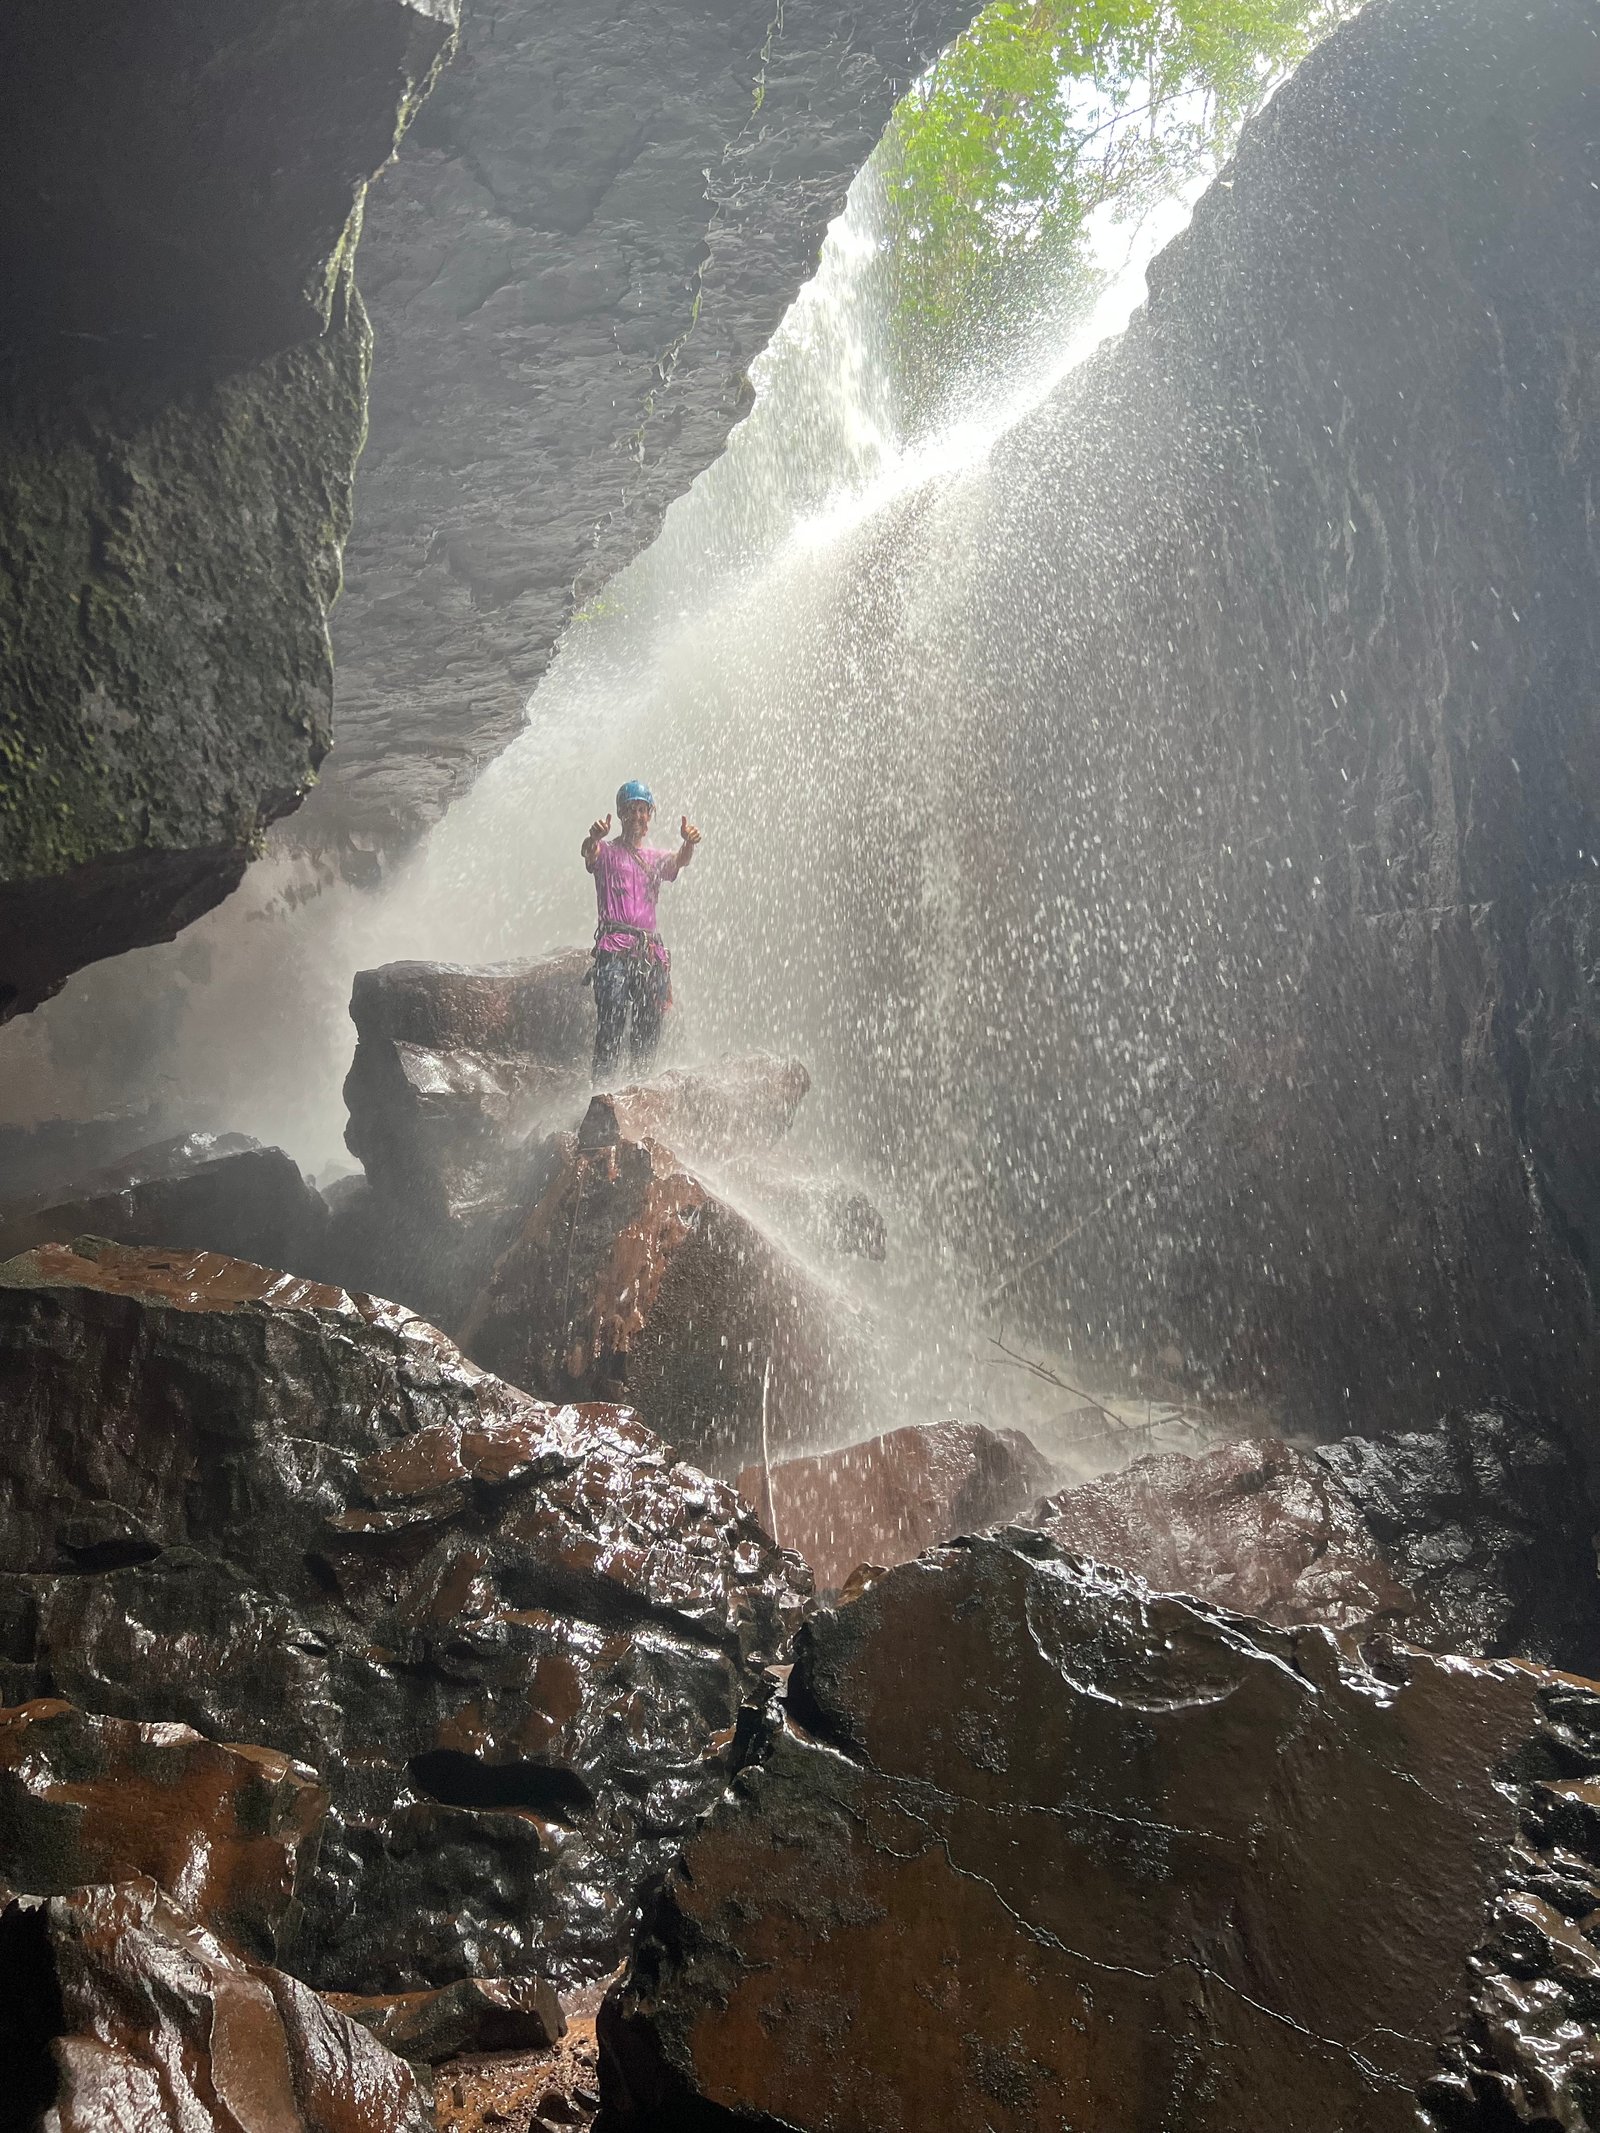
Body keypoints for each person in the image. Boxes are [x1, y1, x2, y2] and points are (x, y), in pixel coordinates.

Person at [582, 780, 701, 1081]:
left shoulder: (654, 859)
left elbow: (679, 861)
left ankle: (639, 1085)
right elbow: (589, 853)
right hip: (613, 948)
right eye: (631, 810)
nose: (637, 816)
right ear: (620, 814)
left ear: (650, 816)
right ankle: (602, 1091)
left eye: (643, 810)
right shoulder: (607, 852)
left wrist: (688, 844)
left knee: (648, 1023)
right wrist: (593, 836)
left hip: (648, 952)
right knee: (612, 1015)